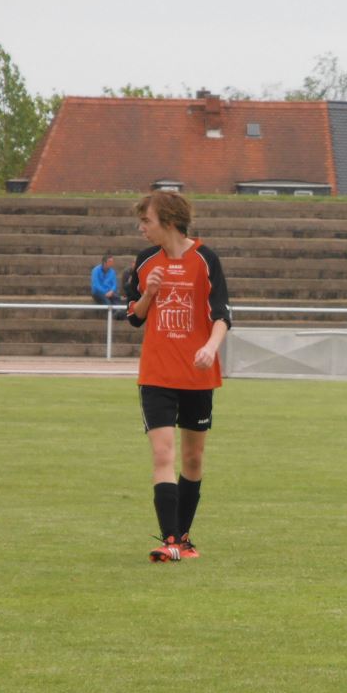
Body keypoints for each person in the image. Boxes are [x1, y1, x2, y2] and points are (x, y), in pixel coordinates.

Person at [124, 191, 231, 562]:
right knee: (162, 454)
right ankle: (169, 540)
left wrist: (210, 348)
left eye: (147, 221)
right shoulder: (144, 261)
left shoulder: (206, 259)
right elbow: (134, 316)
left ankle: (183, 538)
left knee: (193, 459)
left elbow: (222, 316)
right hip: (156, 375)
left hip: (198, 376)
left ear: (169, 222)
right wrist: (149, 293)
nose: (142, 228)